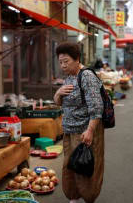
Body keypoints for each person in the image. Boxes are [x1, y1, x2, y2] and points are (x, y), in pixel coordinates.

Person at [53, 43, 105, 203]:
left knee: (86, 168)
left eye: (66, 61)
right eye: (60, 62)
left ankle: (89, 199)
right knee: (70, 166)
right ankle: (73, 198)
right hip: (69, 131)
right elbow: (59, 103)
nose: (62, 65)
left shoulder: (87, 76)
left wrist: (90, 131)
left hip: (84, 132)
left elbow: (97, 108)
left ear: (77, 59)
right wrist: (58, 93)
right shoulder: (69, 77)